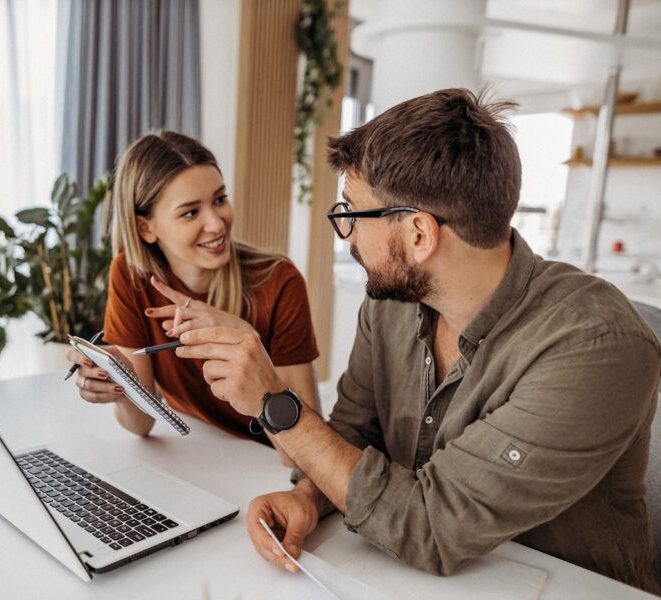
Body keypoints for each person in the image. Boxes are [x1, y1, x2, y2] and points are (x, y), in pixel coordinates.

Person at [174, 89, 661, 593]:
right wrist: (310, 498)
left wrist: (276, 403)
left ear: (419, 236)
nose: (349, 236)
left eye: (353, 214)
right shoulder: (392, 303)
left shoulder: (595, 348)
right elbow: (354, 436)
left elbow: (431, 525)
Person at [66, 131, 321, 463]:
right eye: (190, 213)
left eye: (219, 199)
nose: (216, 224)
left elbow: (305, 456)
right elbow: (141, 424)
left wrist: (246, 340)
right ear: (146, 229)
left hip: (267, 464)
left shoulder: (278, 281)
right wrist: (119, 386)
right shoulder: (132, 275)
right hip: (195, 454)